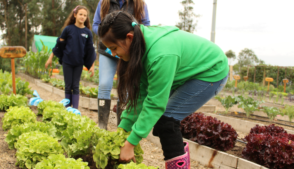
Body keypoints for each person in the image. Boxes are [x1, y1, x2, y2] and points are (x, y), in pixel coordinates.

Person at [98, 11, 229, 169]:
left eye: (114, 48)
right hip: (190, 71)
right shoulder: (140, 45)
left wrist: (130, 143)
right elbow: (141, 95)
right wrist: (123, 129)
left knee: (167, 121)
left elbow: (155, 103)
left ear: (129, 38)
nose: (113, 54)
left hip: (211, 71)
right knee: (165, 120)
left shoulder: (159, 54)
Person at [92, 0, 150, 130]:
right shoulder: (104, 3)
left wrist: (125, 39)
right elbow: (95, 24)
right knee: (104, 85)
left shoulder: (139, 4)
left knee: (127, 89)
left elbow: (146, 25)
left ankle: (122, 128)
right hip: (107, 50)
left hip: (128, 50)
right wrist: (108, 35)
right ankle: (102, 126)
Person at [45, 5, 96, 109]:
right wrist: (50, 58)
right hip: (67, 62)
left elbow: (90, 50)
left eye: (85, 15)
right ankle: (67, 109)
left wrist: (92, 65)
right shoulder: (68, 29)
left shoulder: (87, 32)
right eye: (80, 14)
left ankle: (75, 110)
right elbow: (59, 45)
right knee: (68, 86)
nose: (83, 17)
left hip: (78, 63)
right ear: (75, 15)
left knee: (76, 86)